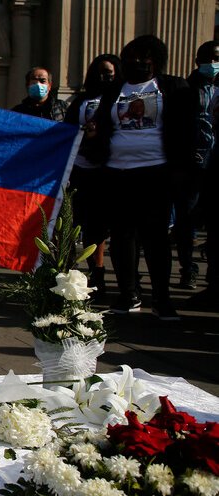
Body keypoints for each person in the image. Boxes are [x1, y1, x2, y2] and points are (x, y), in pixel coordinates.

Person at [87, 35, 197, 320]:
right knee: (122, 237)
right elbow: (101, 125)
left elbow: (187, 130)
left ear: (156, 60)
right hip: (116, 172)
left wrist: (181, 172)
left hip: (156, 172)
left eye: (144, 57)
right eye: (131, 57)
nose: (136, 62)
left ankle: (162, 299)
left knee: (155, 238)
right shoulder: (114, 91)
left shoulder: (172, 88)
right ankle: (128, 294)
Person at [65, 54, 122, 297]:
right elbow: (66, 130)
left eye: (109, 72)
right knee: (71, 222)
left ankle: (97, 274)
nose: (104, 76)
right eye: (100, 72)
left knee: (97, 229)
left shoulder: (121, 99)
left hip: (106, 171)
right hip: (79, 169)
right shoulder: (80, 101)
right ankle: (68, 274)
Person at [187, 41, 219, 306]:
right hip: (194, 163)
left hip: (215, 161)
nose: (213, 62)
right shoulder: (187, 89)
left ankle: (214, 279)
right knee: (188, 219)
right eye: (209, 58)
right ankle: (189, 269)